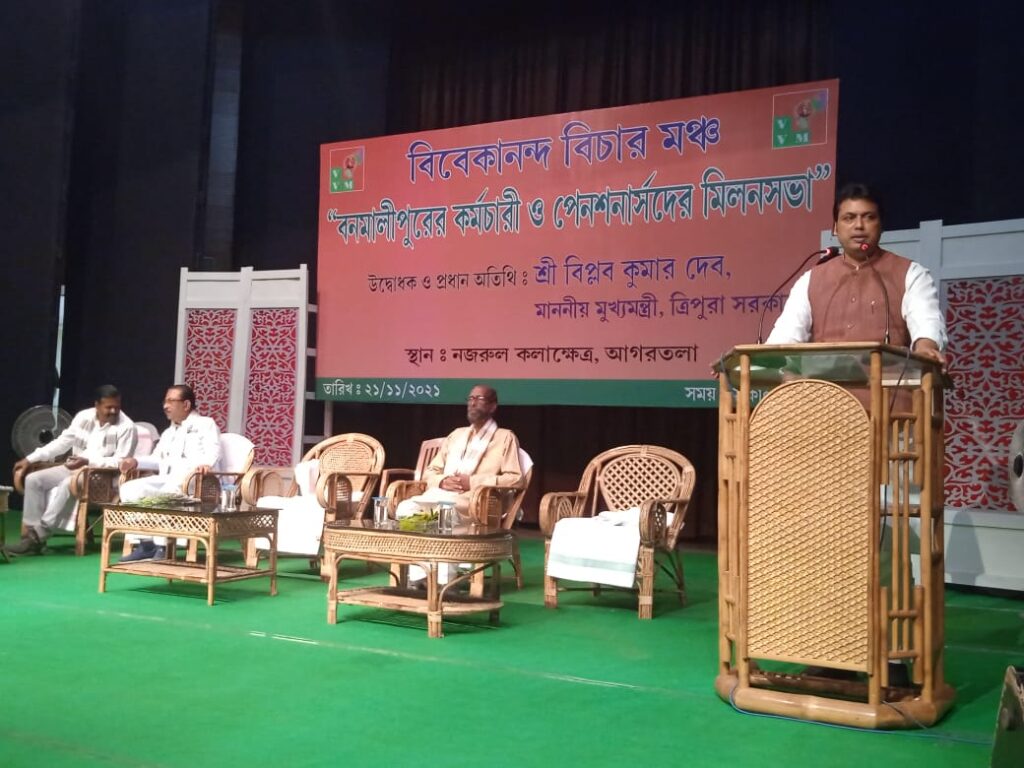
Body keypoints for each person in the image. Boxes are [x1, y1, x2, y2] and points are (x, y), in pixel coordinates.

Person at [766, 182, 947, 364]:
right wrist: (767, 359)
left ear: (881, 225)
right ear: (835, 228)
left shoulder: (911, 273)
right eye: (849, 218)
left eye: (869, 217)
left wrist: (926, 347)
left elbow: (927, 321)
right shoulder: (810, 280)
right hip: (822, 383)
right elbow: (784, 337)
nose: (859, 225)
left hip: (889, 382)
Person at [6, 385, 137, 556]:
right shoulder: (83, 417)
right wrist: (30, 459)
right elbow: (62, 443)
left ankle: (38, 535)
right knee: (33, 480)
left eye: (117, 407)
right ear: (97, 405)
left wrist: (88, 461)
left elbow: (121, 462)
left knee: (70, 483)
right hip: (75, 468)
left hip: (103, 476)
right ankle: (29, 535)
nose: (113, 411)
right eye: (108, 407)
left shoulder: (127, 427)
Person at [118, 384, 221, 561]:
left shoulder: (206, 424)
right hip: (168, 479)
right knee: (130, 488)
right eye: (165, 401)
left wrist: (206, 464)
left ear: (186, 404)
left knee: (163, 494)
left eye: (171, 401)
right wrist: (135, 462)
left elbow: (214, 450)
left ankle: (163, 546)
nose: (165, 406)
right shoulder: (168, 432)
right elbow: (157, 459)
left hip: (194, 483)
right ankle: (146, 543)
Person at [396, 384, 525, 518]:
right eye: (470, 399)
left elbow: (516, 480)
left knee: (444, 511)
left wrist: (472, 482)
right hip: (442, 494)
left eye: (479, 399)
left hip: (477, 502)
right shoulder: (456, 435)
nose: (473, 403)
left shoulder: (505, 437)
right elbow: (430, 472)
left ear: (493, 406)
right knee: (404, 508)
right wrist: (443, 481)